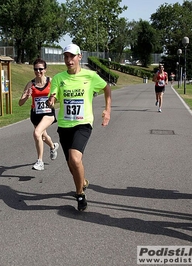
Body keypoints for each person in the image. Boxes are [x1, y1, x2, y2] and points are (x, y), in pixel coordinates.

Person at [47, 44, 111, 211]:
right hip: (64, 125)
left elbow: (106, 88)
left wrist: (107, 110)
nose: (69, 60)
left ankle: (80, 194)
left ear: (79, 57)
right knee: (71, 166)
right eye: (66, 57)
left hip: (83, 124)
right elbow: (53, 94)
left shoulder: (90, 76)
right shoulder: (59, 78)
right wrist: (51, 100)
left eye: (72, 56)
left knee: (75, 159)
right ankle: (82, 182)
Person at [19, 58, 59, 171]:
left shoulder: (51, 81)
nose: (38, 71)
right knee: (43, 136)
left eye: (40, 69)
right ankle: (53, 146)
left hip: (48, 113)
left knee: (37, 133)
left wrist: (53, 99)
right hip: (36, 114)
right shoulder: (30, 84)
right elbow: (20, 103)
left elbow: (59, 96)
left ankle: (40, 161)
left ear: (45, 70)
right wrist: (26, 96)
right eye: (36, 69)